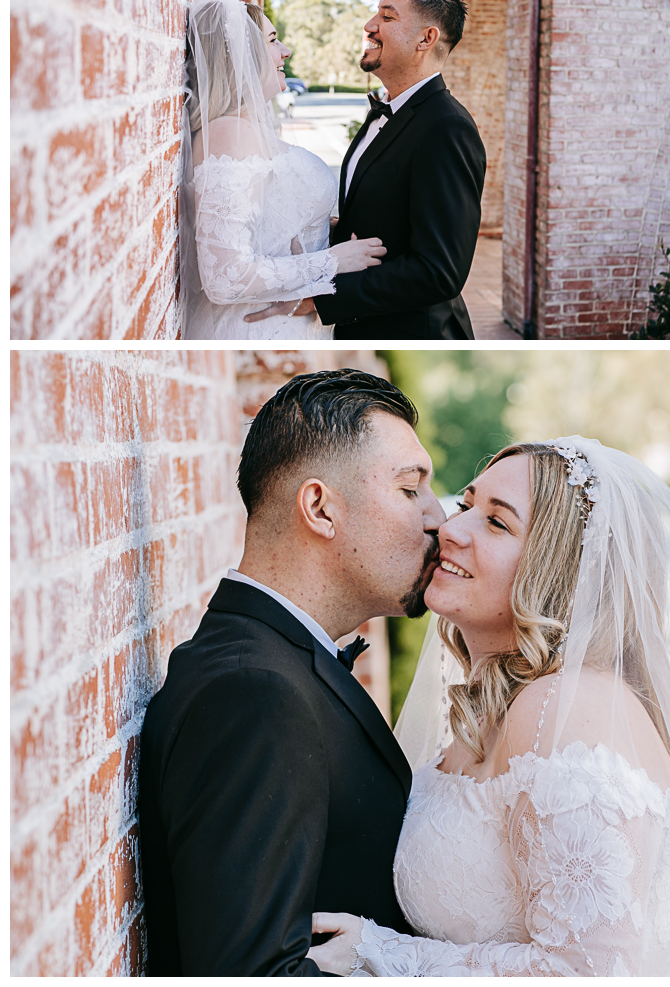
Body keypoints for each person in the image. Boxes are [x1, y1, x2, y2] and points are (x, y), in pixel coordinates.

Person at [311, 438, 670, 976]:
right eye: (466, 505)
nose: (451, 529)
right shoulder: (504, 709)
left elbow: (592, 970)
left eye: (497, 523)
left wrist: (381, 953)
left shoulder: (565, 708)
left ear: (560, 572)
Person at [138, 369, 447, 974]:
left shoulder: (269, 663)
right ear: (320, 507)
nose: (438, 518)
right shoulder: (254, 693)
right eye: (411, 490)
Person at [179, 0, 385, 339]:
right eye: (273, 40)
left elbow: (267, 223)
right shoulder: (230, 134)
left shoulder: (247, 129)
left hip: (294, 321)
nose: (285, 51)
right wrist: (334, 260)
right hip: (258, 326)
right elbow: (225, 277)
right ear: (241, 56)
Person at [315, 0, 486, 340]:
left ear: (426, 39)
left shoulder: (446, 127)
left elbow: (439, 271)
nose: (369, 25)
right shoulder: (386, 111)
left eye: (387, 17)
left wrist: (323, 296)